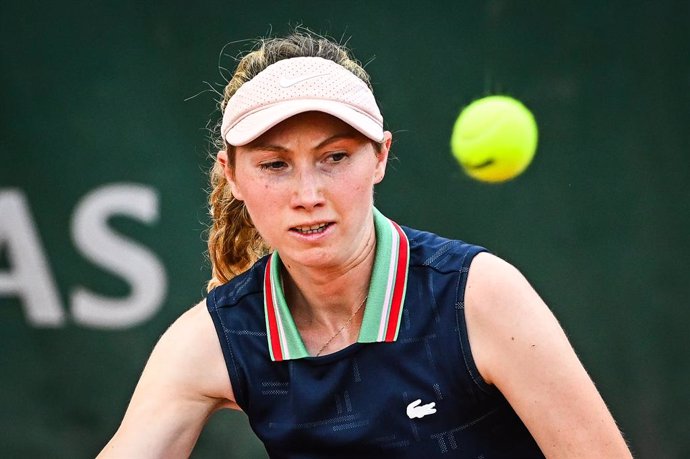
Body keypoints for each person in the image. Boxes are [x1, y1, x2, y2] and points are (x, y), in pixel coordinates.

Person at [98, 31, 632, 458]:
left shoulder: (479, 297)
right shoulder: (213, 339)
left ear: (379, 157)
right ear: (232, 175)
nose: (308, 195)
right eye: (274, 165)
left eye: (335, 157)